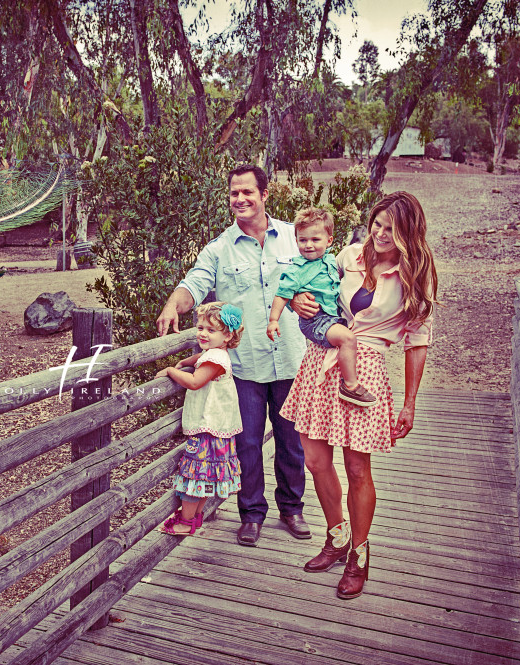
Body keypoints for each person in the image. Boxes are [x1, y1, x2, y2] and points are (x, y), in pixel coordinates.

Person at [279, 191, 437, 600]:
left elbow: (417, 342)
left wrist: (409, 402)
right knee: (313, 458)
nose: (381, 234)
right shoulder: (348, 256)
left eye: (391, 228)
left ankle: (359, 555)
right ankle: (336, 536)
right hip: (321, 358)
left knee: (357, 469)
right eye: (378, 225)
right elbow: (309, 278)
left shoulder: (415, 274)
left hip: (365, 367)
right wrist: (297, 300)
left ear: (408, 233)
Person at [156, 164, 316, 547]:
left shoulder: (293, 240)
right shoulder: (218, 249)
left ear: (264, 194)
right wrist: (172, 306)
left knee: (291, 441)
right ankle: (252, 514)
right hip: (245, 365)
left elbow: (321, 277)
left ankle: (292, 508)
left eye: (247, 192)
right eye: (234, 193)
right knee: (245, 443)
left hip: (291, 358)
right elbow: (193, 285)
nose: (240, 199)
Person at [267, 207, 375, 408]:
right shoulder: (297, 270)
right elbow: (282, 294)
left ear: (329, 241)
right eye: (302, 240)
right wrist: (274, 320)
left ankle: (335, 388)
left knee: (352, 338)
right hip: (314, 320)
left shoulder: (330, 261)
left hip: (331, 318)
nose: (308, 245)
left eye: (315, 240)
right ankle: (350, 386)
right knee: (347, 338)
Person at [156, 301, 244, 536]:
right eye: (201, 328)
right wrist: (186, 362)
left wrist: (171, 371)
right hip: (217, 427)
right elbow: (202, 359)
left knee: (196, 474)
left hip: (208, 427)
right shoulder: (216, 353)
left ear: (227, 335)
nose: (203, 333)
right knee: (205, 477)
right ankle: (194, 517)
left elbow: (195, 382)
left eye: (211, 330)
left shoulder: (215, 359)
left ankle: (185, 522)